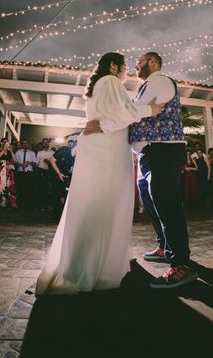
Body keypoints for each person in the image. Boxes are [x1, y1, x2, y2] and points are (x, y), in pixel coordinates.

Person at [36, 52, 163, 295]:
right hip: (108, 151)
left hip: (100, 148)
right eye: (125, 65)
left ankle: (96, 260)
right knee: (108, 203)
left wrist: (98, 125)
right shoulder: (111, 82)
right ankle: (97, 266)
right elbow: (121, 114)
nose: (127, 69)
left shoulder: (100, 85)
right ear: (114, 66)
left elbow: (110, 115)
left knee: (94, 202)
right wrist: (150, 109)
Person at [85, 51, 196, 289]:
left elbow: (136, 114)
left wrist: (102, 125)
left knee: (167, 204)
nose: (135, 66)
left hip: (164, 150)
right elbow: (133, 113)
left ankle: (181, 264)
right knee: (150, 200)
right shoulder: (145, 87)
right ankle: (164, 246)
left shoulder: (161, 81)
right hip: (150, 154)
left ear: (153, 63)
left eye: (140, 62)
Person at [15, 139, 37, 210]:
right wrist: (20, 164)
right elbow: (15, 162)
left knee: (28, 189)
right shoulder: (18, 152)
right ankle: (20, 204)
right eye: (23, 143)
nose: (25, 145)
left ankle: (28, 205)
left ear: (28, 144)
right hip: (20, 172)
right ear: (21, 144)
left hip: (29, 173)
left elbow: (35, 163)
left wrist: (29, 163)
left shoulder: (32, 153)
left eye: (26, 143)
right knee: (20, 189)